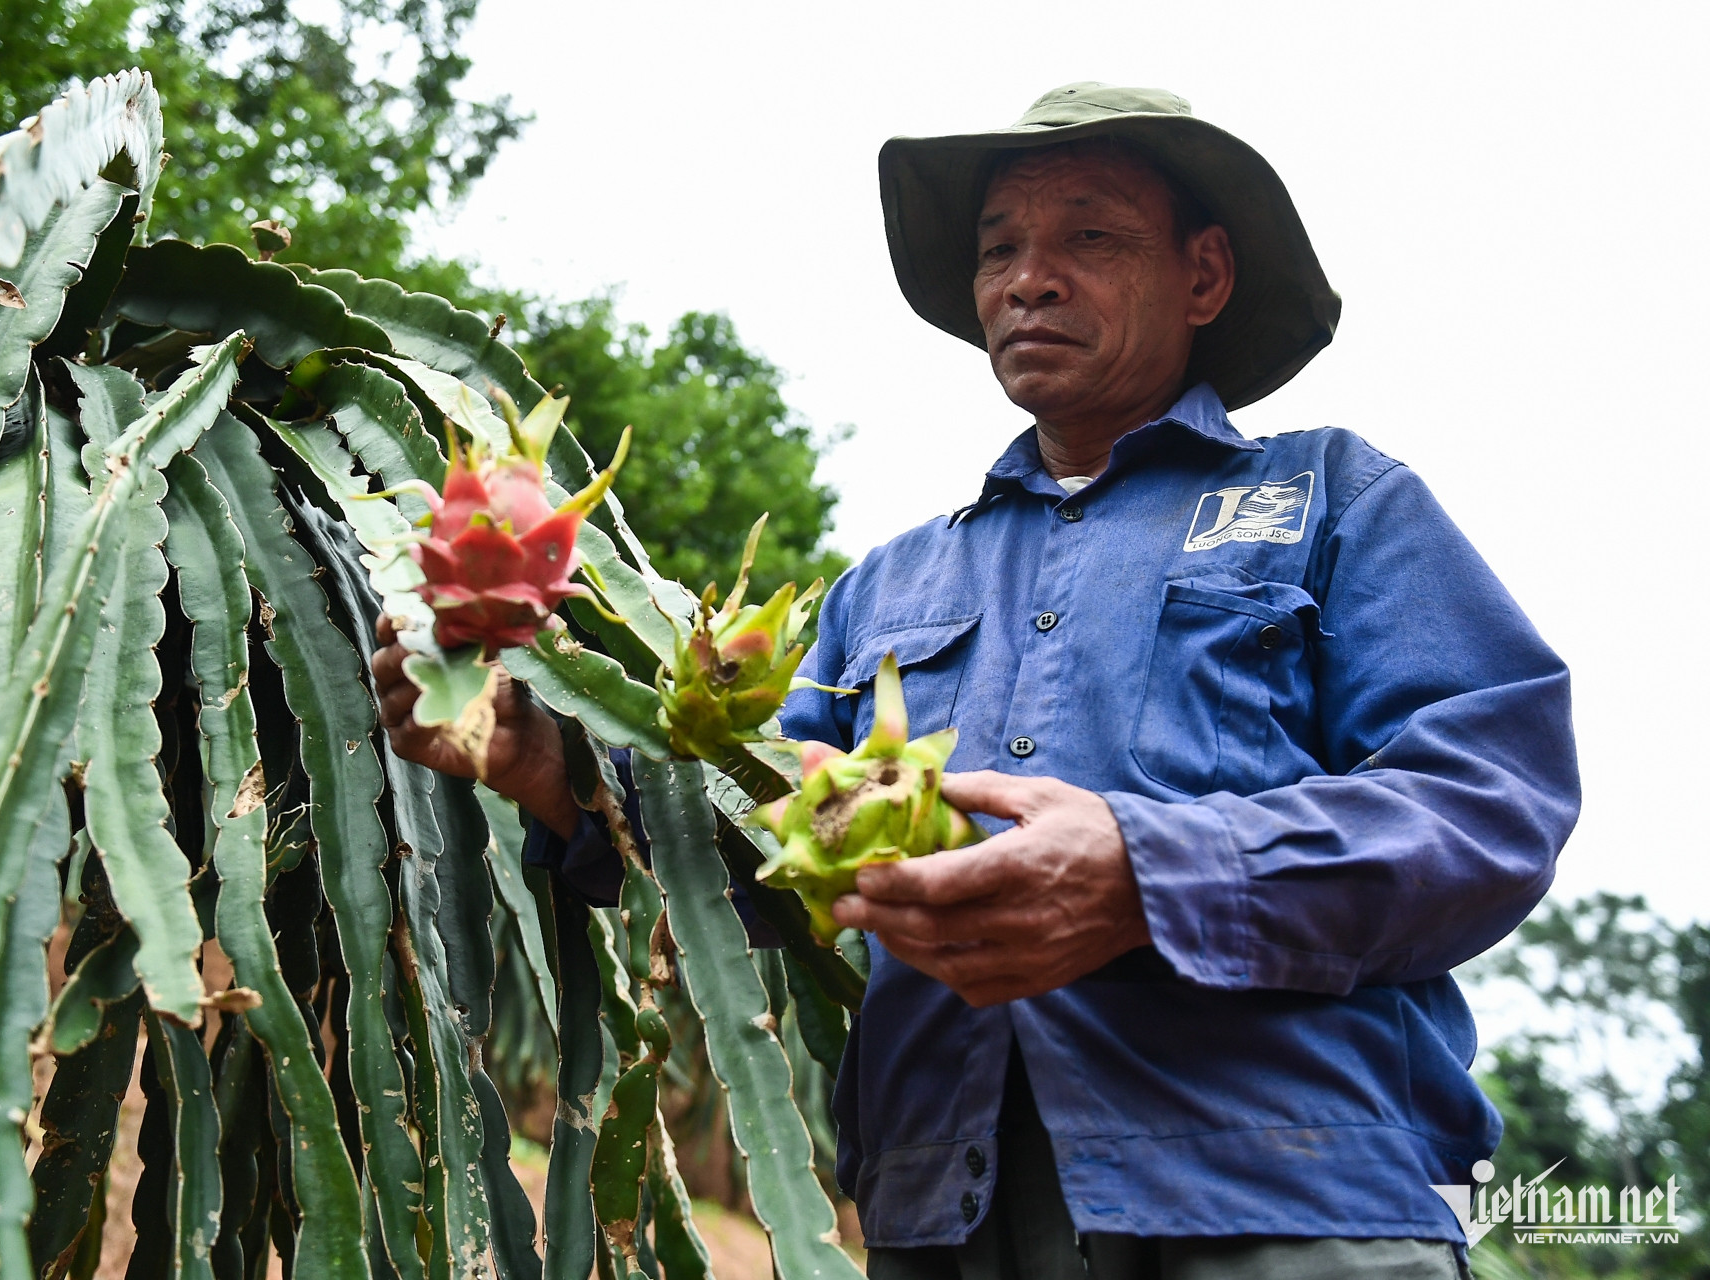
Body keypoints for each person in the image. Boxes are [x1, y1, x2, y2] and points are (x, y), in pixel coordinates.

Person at [372, 82, 1580, 1280]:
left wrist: (1145, 873)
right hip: (941, 1214)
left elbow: (1489, 799)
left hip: (1287, 1200)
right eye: (1000, 247)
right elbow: (761, 845)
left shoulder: (1335, 501)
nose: (1027, 277)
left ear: (1205, 275)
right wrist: (549, 763)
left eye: (1089, 237)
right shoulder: (880, 588)